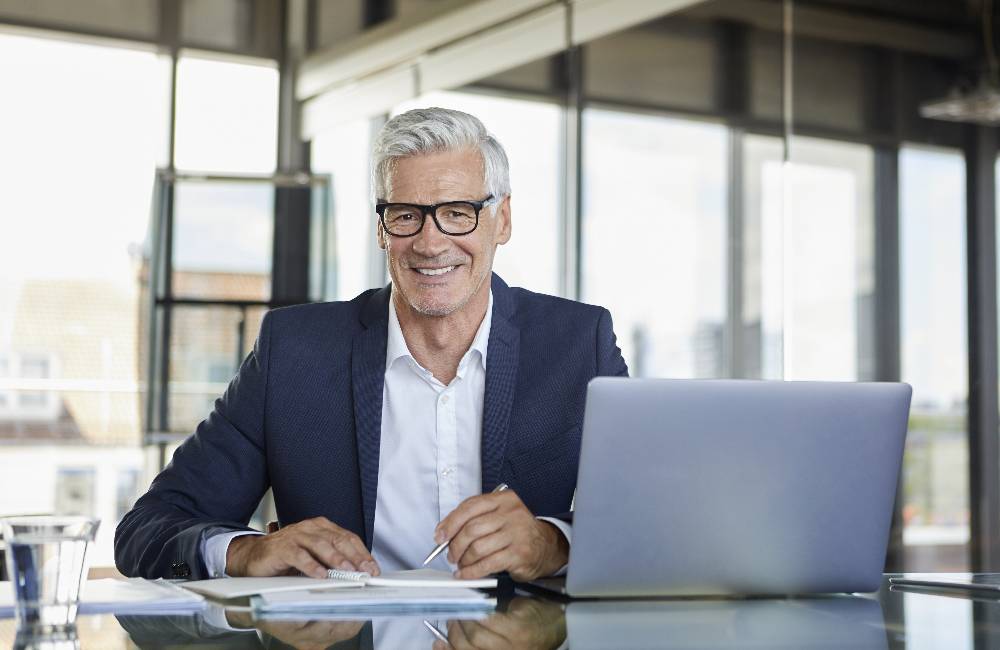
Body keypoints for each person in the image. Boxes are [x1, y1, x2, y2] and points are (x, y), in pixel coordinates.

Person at [115, 107, 628, 583]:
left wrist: (553, 543)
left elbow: (649, 518)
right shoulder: (292, 354)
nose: (430, 243)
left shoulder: (578, 344)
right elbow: (145, 531)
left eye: (458, 212)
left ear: (504, 219)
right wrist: (246, 552)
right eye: (405, 215)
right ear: (381, 229)